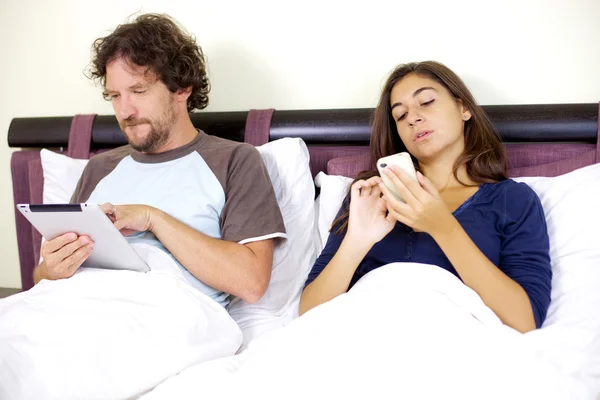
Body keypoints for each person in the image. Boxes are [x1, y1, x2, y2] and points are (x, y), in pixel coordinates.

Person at [32, 13, 286, 307]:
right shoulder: (99, 168)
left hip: (163, 315)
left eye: (138, 91)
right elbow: (41, 279)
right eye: (114, 96)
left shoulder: (234, 161)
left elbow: (251, 282)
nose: (124, 111)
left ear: (181, 88)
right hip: (76, 306)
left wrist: (153, 219)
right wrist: (50, 271)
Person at [299, 61, 552, 333]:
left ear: (463, 108)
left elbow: (525, 321)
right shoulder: (370, 197)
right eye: (400, 115)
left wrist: (442, 226)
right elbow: (309, 314)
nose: (413, 118)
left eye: (427, 101)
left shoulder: (512, 200)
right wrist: (357, 241)